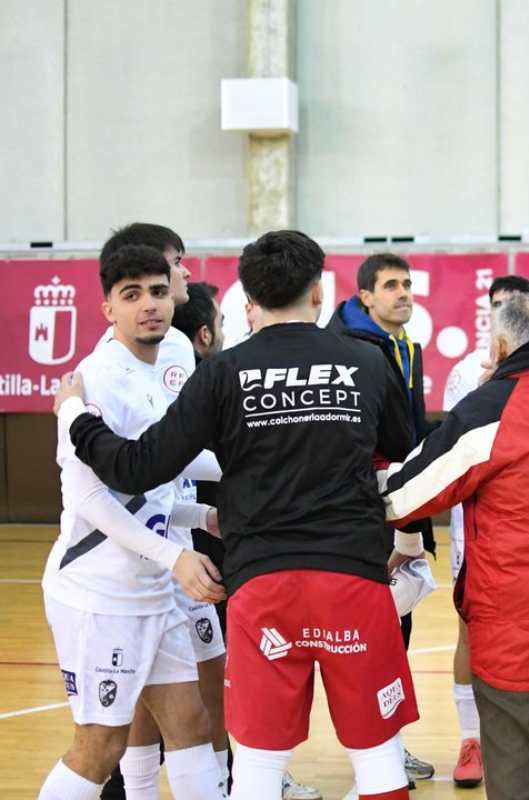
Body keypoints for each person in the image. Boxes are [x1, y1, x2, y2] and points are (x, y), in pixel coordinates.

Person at [56, 230, 420, 800]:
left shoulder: (224, 371)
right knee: (378, 761)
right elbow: (404, 452)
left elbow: (135, 468)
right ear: (319, 292)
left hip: (264, 585)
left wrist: (76, 416)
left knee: (255, 768)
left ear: (249, 299)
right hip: (352, 577)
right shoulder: (368, 362)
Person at [379, 292, 529, 800]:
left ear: (499, 343)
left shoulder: (488, 408)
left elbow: (403, 498)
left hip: (519, 629)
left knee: (515, 781)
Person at [38, 245, 227, 800]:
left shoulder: (176, 355)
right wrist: (176, 555)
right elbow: (95, 502)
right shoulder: (94, 380)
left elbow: (160, 474)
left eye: (158, 291)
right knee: (101, 746)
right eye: (132, 294)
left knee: (191, 727)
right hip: (100, 593)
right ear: (108, 310)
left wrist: (209, 511)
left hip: (154, 586)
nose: (150, 304)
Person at [326, 252, 436, 785]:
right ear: (364, 296)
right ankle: (371, 756)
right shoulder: (351, 348)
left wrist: (414, 517)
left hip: (399, 505)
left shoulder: (404, 346)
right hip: (361, 512)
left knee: (398, 630)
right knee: (366, 637)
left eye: (408, 284)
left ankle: (389, 743)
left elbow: (408, 440)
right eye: (391, 285)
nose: (404, 293)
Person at [441, 273, 529, 790]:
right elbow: (461, 449)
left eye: (514, 306)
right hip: (475, 531)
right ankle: (471, 737)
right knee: (469, 632)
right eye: (496, 306)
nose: (504, 314)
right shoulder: (464, 372)